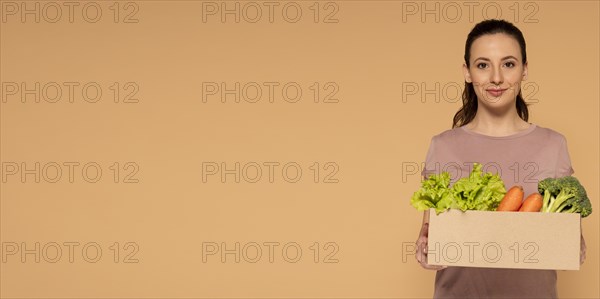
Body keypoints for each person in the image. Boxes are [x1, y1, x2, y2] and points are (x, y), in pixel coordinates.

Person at [414, 19, 587, 298]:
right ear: (467, 72)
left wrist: (573, 242)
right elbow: (432, 240)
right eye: (483, 65)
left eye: (508, 64)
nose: (496, 77)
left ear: (525, 69)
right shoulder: (443, 146)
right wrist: (425, 248)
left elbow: (564, 242)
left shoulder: (553, 145)